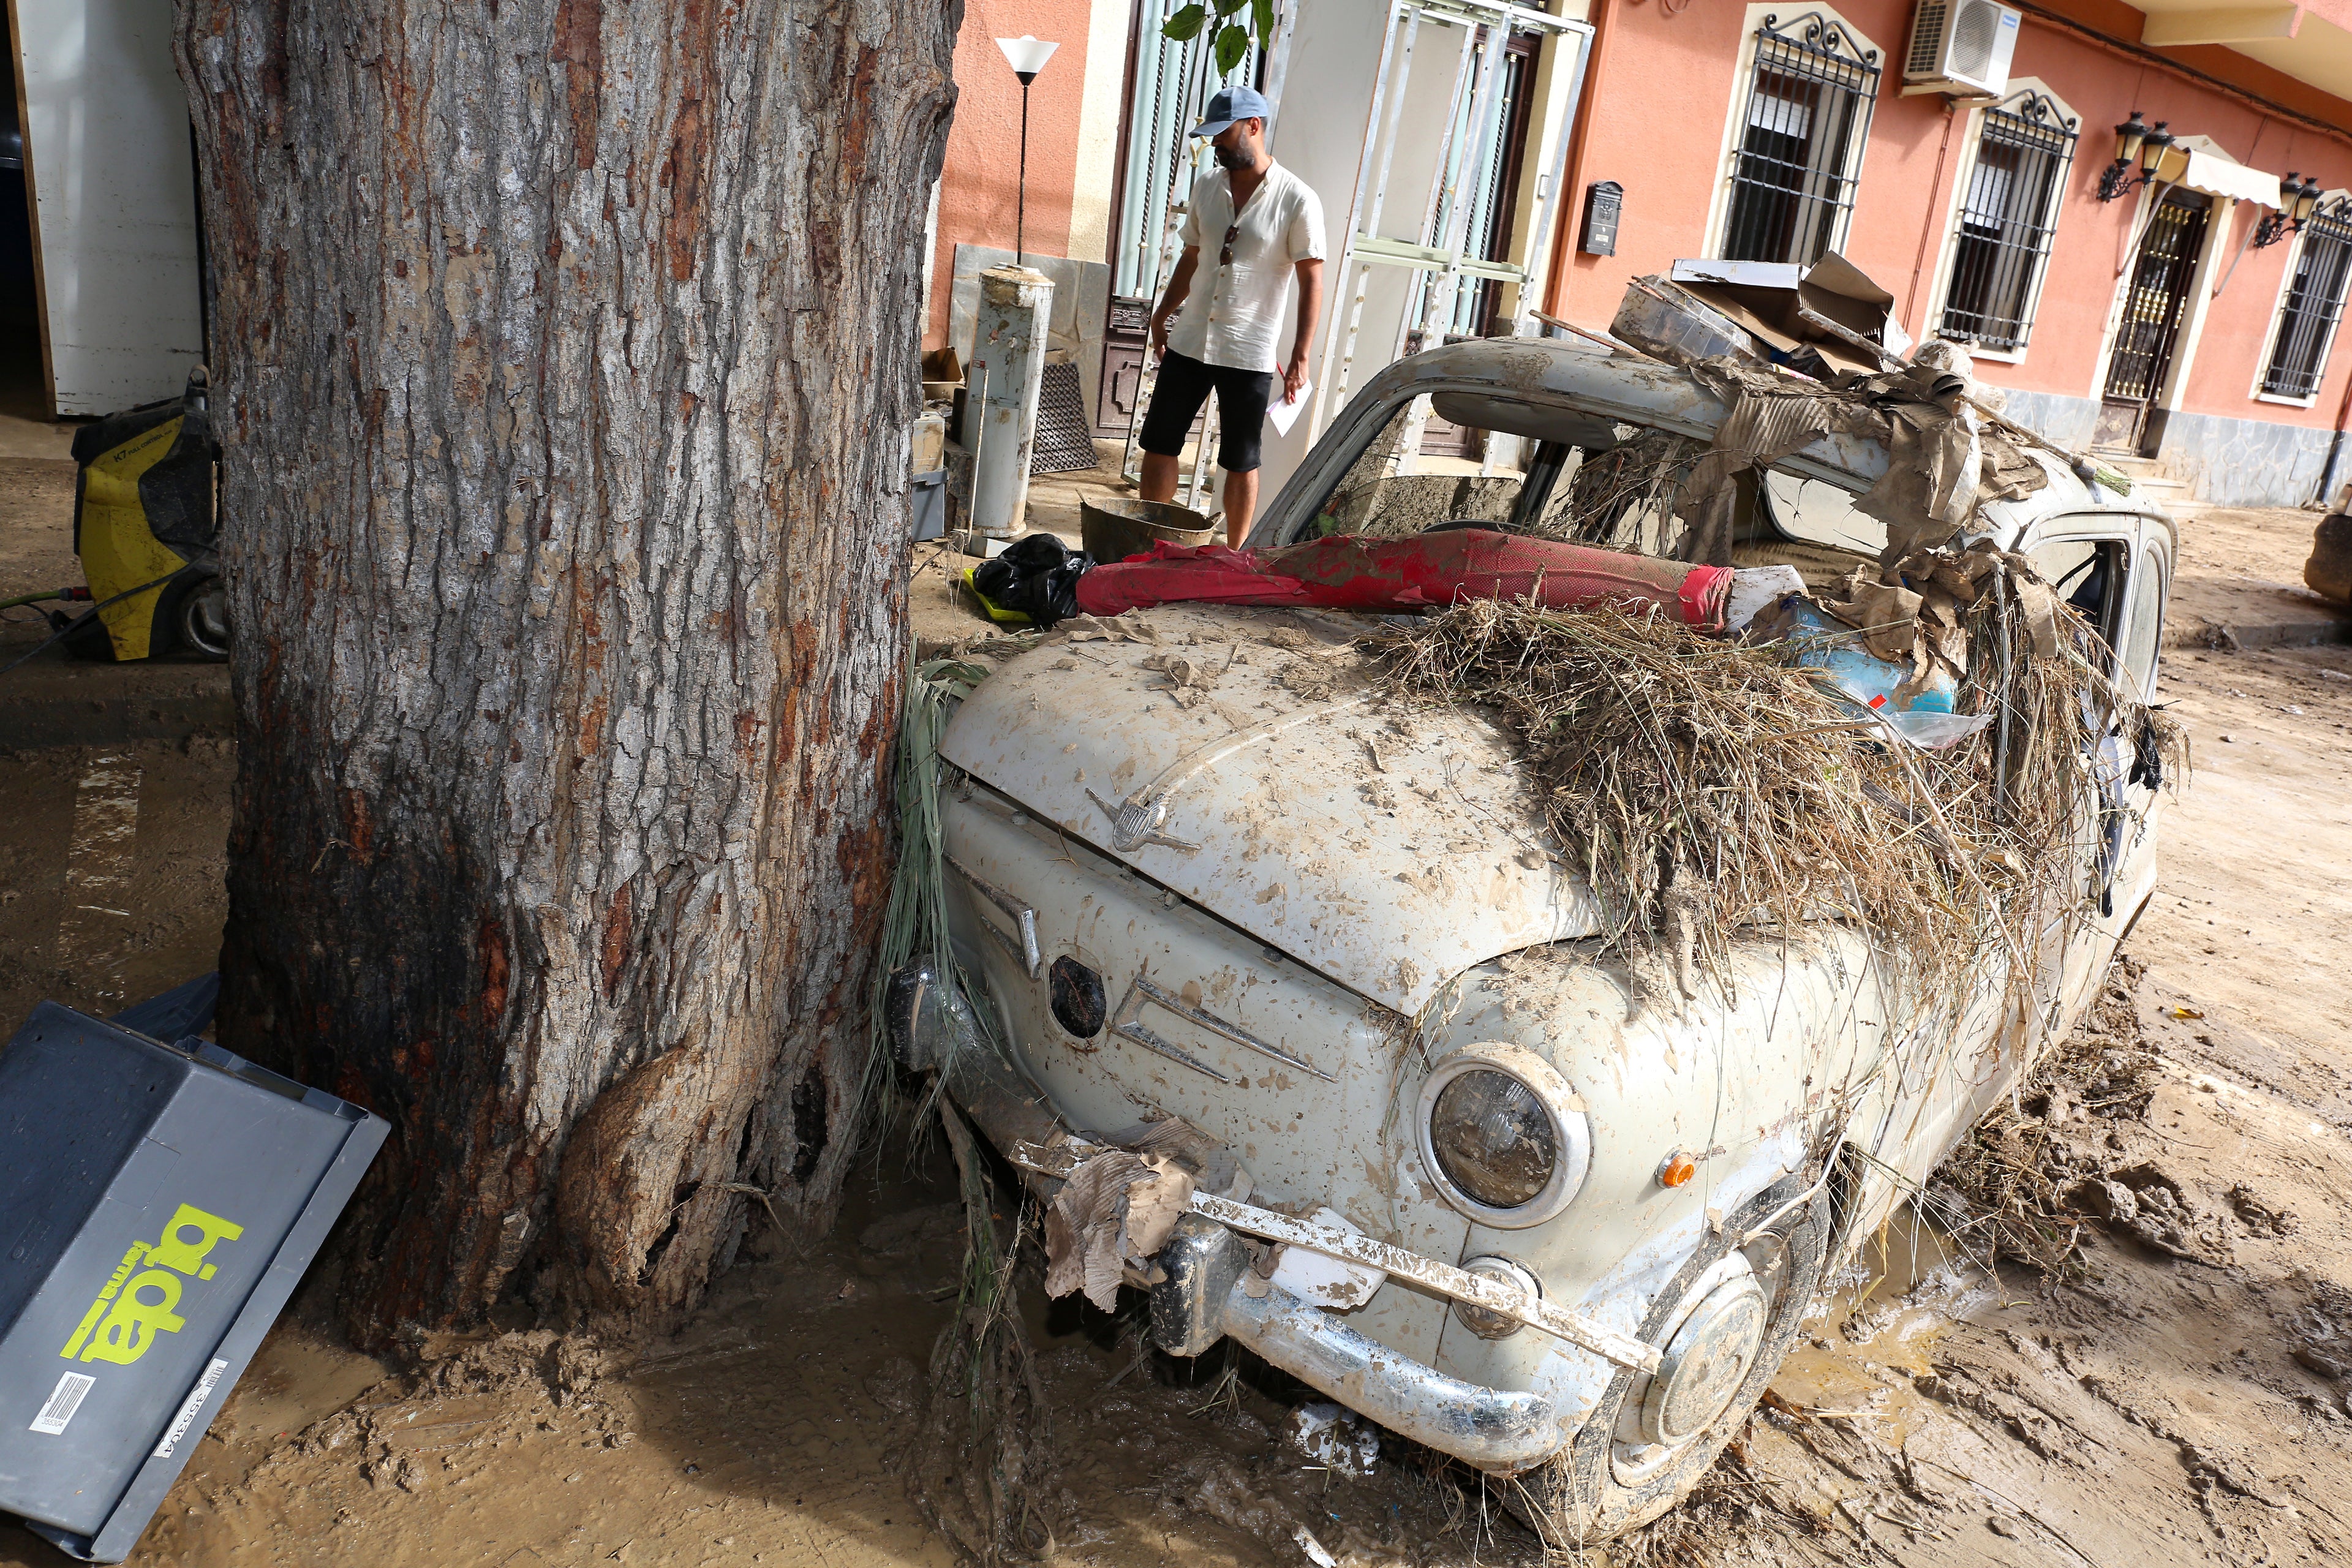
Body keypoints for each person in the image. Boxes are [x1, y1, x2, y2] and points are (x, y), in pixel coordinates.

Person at [1139, 86, 1325, 546]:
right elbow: (1192, 256)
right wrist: (1163, 312)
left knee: (1240, 457)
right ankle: (1150, 539)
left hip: (1249, 348)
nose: (1216, 144)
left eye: (1223, 133)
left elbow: (1312, 281)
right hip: (1191, 337)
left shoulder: (1297, 199)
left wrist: (1301, 355)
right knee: (1160, 441)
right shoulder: (1207, 187)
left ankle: (1234, 554)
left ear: (1253, 127)